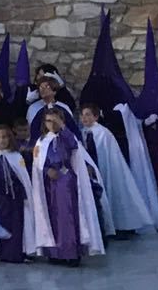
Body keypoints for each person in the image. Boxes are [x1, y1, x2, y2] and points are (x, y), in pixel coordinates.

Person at [29, 107, 104, 266]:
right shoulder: (42, 141)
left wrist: (62, 127)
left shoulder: (67, 137)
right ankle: (54, 252)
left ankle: (70, 252)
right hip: (49, 184)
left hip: (66, 180)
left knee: (66, 216)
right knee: (51, 216)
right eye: (49, 121)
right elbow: (37, 162)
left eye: (55, 121)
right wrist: (46, 170)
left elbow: (73, 147)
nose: (52, 124)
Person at [80, 103, 157, 237]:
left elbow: (108, 153)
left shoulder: (103, 133)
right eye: (82, 115)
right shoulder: (83, 132)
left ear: (96, 117)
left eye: (88, 114)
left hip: (107, 168)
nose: (84, 118)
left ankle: (122, 227)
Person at [0, 125, 35, 263]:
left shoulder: (17, 156)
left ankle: (19, 252)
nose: (2, 140)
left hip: (15, 198)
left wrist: (26, 195)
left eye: (4, 137)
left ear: (10, 138)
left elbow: (23, 178)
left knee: (17, 224)